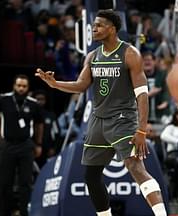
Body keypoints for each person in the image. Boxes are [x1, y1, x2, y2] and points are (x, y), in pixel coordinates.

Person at [36, 9, 167, 216]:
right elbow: (80, 86)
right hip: (98, 120)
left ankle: (161, 214)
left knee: (135, 167)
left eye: (99, 25)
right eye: (94, 25)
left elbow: (142, 95)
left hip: (123, 119)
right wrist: (54, 84)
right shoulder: (92, 56)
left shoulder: (130, 53)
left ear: (112, 29)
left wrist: (141, 130)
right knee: (90, 175)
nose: (94, 28)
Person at [0, 74, 44, 216]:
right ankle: (5, 212)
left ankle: (23, 212)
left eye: (24, 86)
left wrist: (38, 144)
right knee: (4, 182)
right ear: (14, 86)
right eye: (19, 85)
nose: (21, 88)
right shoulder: (4, 99)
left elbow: (40, 124)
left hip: (26, 145)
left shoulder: (33, 103)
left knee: (25, 182)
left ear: (28, 88)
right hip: (7, 144)